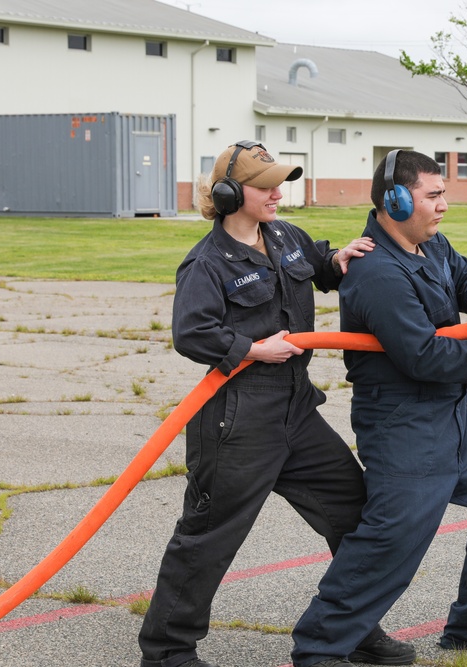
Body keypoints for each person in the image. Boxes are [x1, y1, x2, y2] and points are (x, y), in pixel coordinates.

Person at [138, 141, 415, 667]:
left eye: (278, 183)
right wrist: (251, 350)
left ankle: (352, 627)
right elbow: (191, 332)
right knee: (210, 536)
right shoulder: (207, 262)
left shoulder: (286, 235)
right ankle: (167, 651)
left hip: (296, 410)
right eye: (265, 186)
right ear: (228, 194)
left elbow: (318, 269)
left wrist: (339, 259)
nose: (277, 193)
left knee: (355, 513)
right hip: (237, 418)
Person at [289, 150, 467, 667]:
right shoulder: (377, 273)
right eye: (434, 195)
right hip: (403, 420)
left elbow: (457, 267)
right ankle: (319, 649)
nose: (445, 205)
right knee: (393, 540)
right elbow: (422, 355)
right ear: (397, 200)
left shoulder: (428, 243)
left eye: (443, 193)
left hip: (453, 414)